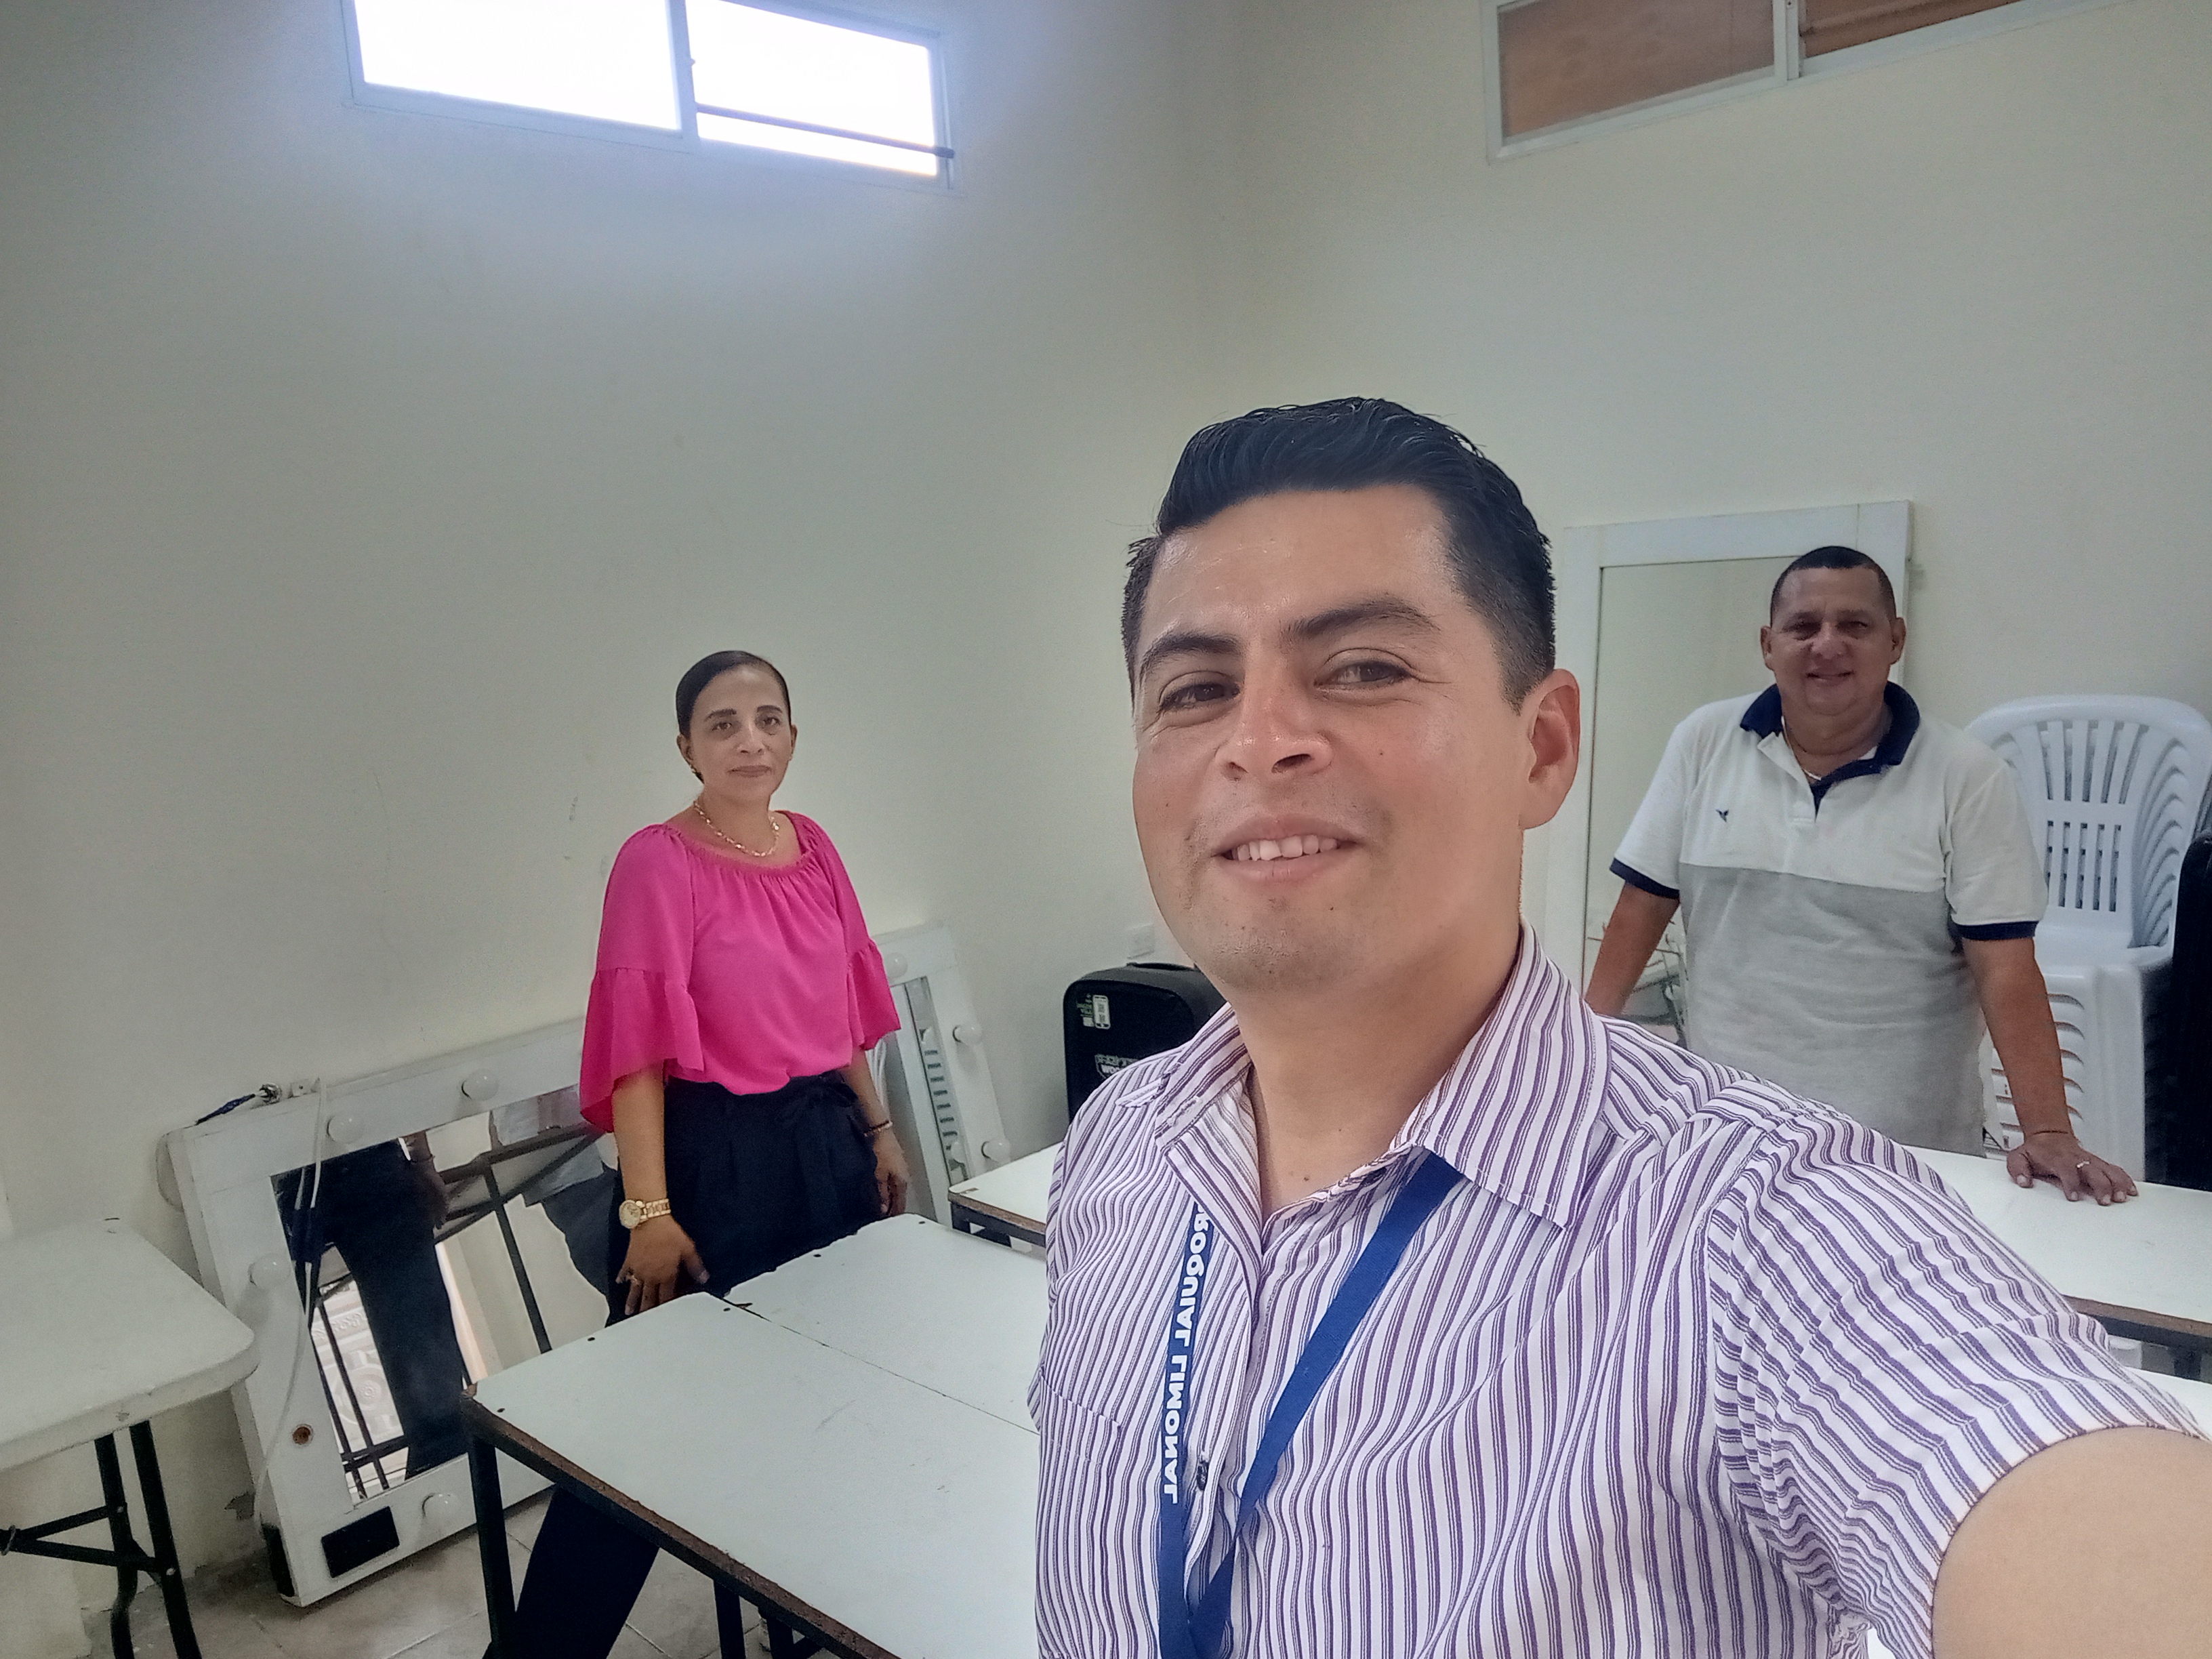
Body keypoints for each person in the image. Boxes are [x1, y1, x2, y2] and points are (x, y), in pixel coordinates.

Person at [1033, 398, 2211, 1658]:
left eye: (1364, 668)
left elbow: (2038, 1481)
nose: (1258, 742)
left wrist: (2044, 1129)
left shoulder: (1762, 1240)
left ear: (1542, 747)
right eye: (1196, 689)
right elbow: (1643, 901)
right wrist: (1596, 1028)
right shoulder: (1116, 1146)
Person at [508, 649, 910, 1659]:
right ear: (687, 746)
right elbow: (638, 1055)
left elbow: (842, 1011)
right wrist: (648, 1213)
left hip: (824, 1142)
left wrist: (878, 1130)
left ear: (794, 734)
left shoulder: (814, 848)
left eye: (769, 719)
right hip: (715, 1159)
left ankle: (816, 1615)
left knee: (830, 1389)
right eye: (723, 724)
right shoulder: (657, 861)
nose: (750, 740)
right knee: (647, 1423)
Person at [1584, 546, 2135, 1203]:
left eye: (1855, 625)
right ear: (1767, 645)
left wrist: (2047, 1129)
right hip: (1727, 1139)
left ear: (1895, 640)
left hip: (1903, 1156)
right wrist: (1583, 1061)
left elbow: (2005, 968)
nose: (1827, 645)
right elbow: (1641, 908)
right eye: (1803, 626)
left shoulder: (1966, 775)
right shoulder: (1704, 742)